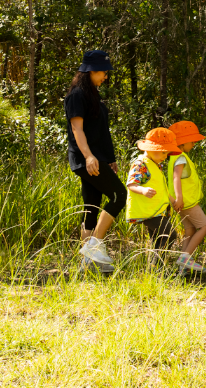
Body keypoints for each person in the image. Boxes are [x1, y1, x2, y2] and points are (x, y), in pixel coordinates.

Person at [65, 50, 123, 273]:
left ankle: (87, 263)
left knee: (91, 207)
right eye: (103, 72)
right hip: (85, 158)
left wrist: (110, 159)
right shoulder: (77, 95)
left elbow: (100, 131)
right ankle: (94, 248)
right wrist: (89, 156)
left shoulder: (93, 95)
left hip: (98, 158)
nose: (105, 76)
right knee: (119, 195)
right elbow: (77, 129)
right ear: (90, 71)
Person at [125, 128, 178, 254]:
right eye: (163, 152)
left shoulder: (155, 165)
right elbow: (131, 184)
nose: (165, 157)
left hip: (156, 210)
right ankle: (158, 263)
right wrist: (143, 190)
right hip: (148, 211)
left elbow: (161, 188)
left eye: (167, 153)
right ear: (150, 149)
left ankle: (155, 265)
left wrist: (172, 200)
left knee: (158, 238)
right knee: (170, 235)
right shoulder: (140, 164)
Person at [168, 120, 206, 273]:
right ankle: (185, 258)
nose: (194, 144)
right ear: (183, 142)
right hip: (187, 201)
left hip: (182, 201)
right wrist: (179, 198)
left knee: (190, 230)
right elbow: (176, 178)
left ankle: (182, 268)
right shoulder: (181, 157)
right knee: (204, 226)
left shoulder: (174, 157)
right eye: (192, 141)